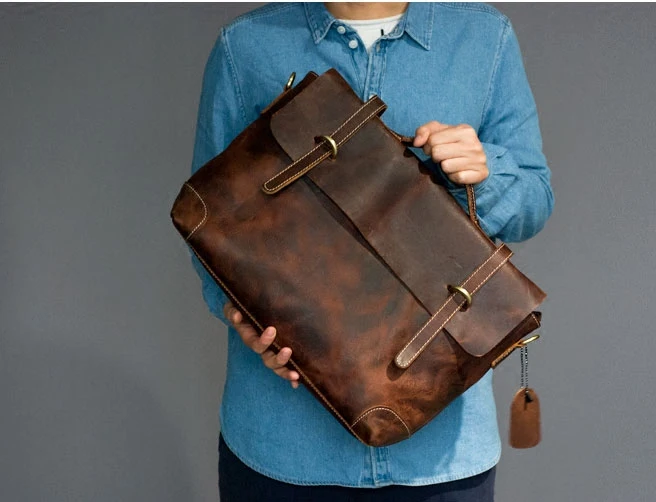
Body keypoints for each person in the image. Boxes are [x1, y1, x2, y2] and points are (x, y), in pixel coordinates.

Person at [188, 2, 553, 500]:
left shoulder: (484, 40)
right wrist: (245, 321)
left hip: (440, 458)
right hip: (282, 448)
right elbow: (207, 217)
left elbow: (535, 201)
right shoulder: (247, 46)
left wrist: (486, 171)